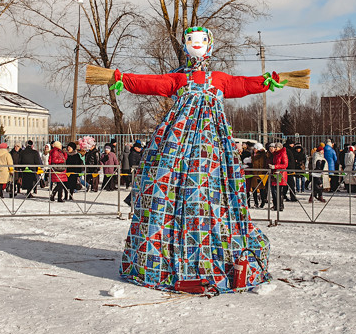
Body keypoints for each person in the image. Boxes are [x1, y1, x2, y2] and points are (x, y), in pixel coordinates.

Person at [95, 26, 289, 293]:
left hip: (211, 145)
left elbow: (242, 84)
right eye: (190, 40)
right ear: (185, 45)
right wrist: (124, 79)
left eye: (201, 40)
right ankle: (161, 257)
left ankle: (212, 252)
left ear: (210, 46)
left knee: (209, 188)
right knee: (163, 178)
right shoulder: (178, 79)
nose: (195, 44)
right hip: (177, 140)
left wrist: (266, 81)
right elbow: (153, 83)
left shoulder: (218, 79)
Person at [268, 141, 288, 212]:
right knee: (274, 191)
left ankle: (280, 205)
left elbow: (285, 165)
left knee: (279, 191)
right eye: (275, 147)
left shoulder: (283, 154)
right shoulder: (275, 154)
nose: (275, 148)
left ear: (280, 148)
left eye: (276, 147)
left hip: (280, 174)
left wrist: (275, 166)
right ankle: (276, 205)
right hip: (275, 174)